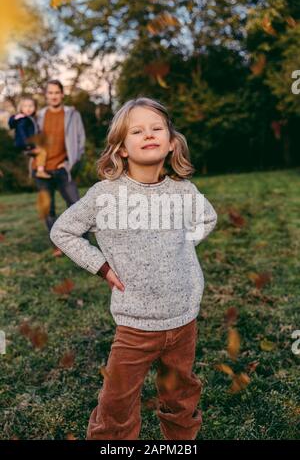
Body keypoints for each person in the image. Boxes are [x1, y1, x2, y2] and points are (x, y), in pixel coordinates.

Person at [49, 97, 218, 440]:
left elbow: (208, 218)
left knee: (180, 396)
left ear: (171, 142)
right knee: (117, 403)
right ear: (122, 148)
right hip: (135, 325)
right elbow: (62, 231)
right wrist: (101, 266)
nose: (149, 135)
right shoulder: (104, 196)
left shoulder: (184, 192)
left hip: (183, 318)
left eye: (157, 129)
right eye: (137, 131)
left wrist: (181, 244)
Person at [31, 79, 86, 257]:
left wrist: (70, 163)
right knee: (48, 209)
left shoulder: (72, 114)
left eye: (57, 92)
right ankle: (59, 245)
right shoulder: (38, 116)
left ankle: (80, 241)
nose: (54, 96)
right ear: (46, 95)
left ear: (62, 94)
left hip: (63, 168)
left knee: (76, 204)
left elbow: (80, 141)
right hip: (41, 170)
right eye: (50, 93)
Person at [8, 96, 51, 179]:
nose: (28, 108)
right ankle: (40, 171)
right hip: (25, 144)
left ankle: (36, 170)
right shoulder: (23, 119)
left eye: (31, 106)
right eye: (25, 106)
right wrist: (27, 144)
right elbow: (21, 131)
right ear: (21, 108)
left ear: (35, 108)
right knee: (42, 152)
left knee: (40, 153)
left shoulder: (30, 119)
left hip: (28, 144)